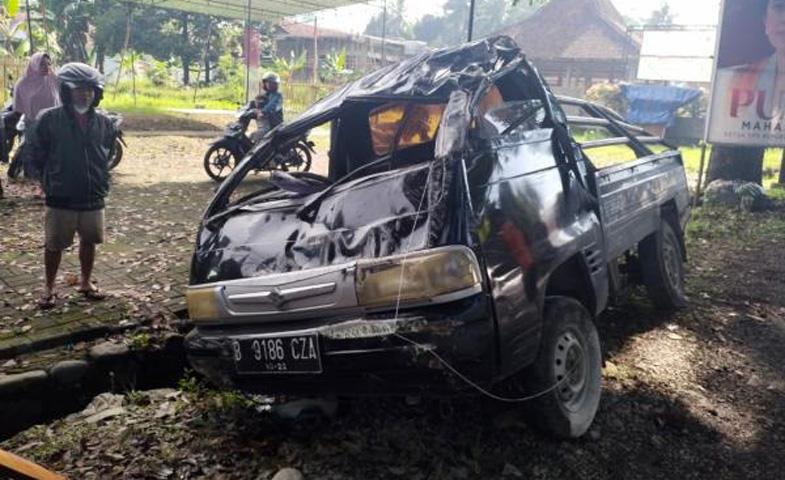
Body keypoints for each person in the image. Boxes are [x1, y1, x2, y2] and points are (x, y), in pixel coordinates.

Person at [31, 63, 116, 309]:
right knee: (54, 244)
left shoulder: (104, 121)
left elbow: (107, 152)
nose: (85, 94)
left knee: (89, 241)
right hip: (61, 196)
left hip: (93, 195)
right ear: (66, 91)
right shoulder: (49, 119)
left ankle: (86, 282)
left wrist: (101, 177)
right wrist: (45, 181)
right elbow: (36, 154)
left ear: (96, 93)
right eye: (79, 90)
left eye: (90, 90)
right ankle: (48, 287)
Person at [12, 52, 60, 180]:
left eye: (48, 64)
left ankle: (49, 175)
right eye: (42, 64)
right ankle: (32, 175)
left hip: (53, 123)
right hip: (33, 123)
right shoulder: (22, 84)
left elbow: (61, 97)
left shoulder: (53, 79)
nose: (46, 67)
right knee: (33, 151)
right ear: (34, 65)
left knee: (52, 150)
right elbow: (18, 107)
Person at [250, 72, 284, 142]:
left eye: (272, 83)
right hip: (265, 120)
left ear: (276, 84)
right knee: (254, 135)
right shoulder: (265, 94)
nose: (269, 84)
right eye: (267, 82)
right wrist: (248, 107)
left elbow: (272, 105)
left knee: (260, 134)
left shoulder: (277, 95)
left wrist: (263, 111)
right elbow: (256, 102)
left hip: (274, 122)